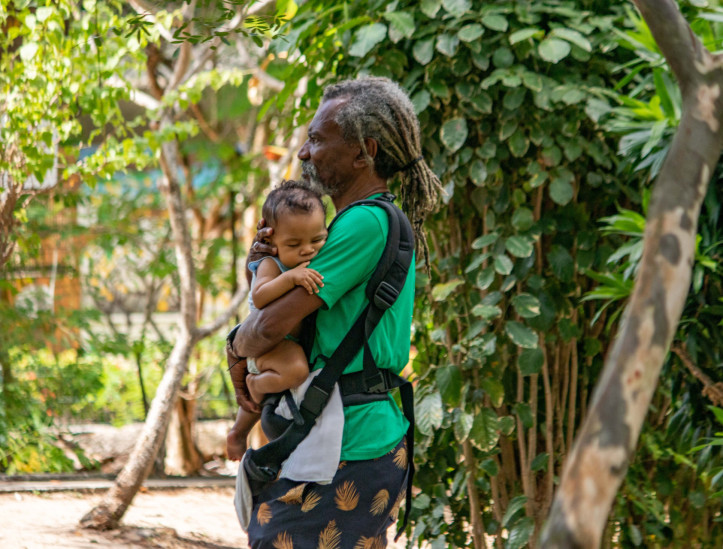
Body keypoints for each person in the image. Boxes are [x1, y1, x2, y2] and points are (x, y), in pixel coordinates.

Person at [226, 76, 441, 548]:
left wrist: (236, 348)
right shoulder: (354, 223)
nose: (304, 153)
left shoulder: (363, 222)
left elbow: (272, 324)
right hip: (350, 439)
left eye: (318, 139)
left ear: (364, 151)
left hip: (351, 445)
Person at [229, 179, 328, 448]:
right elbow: (260, 297)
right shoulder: (271, 263)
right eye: (294, 244)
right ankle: (254, 390)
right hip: (268, 345)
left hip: (289, 343)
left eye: (317, 239)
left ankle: (237, 432)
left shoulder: (317, 258)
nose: (308, 250)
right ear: (270, 241)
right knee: (296, 371)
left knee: (273, 394)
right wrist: (291, 278)